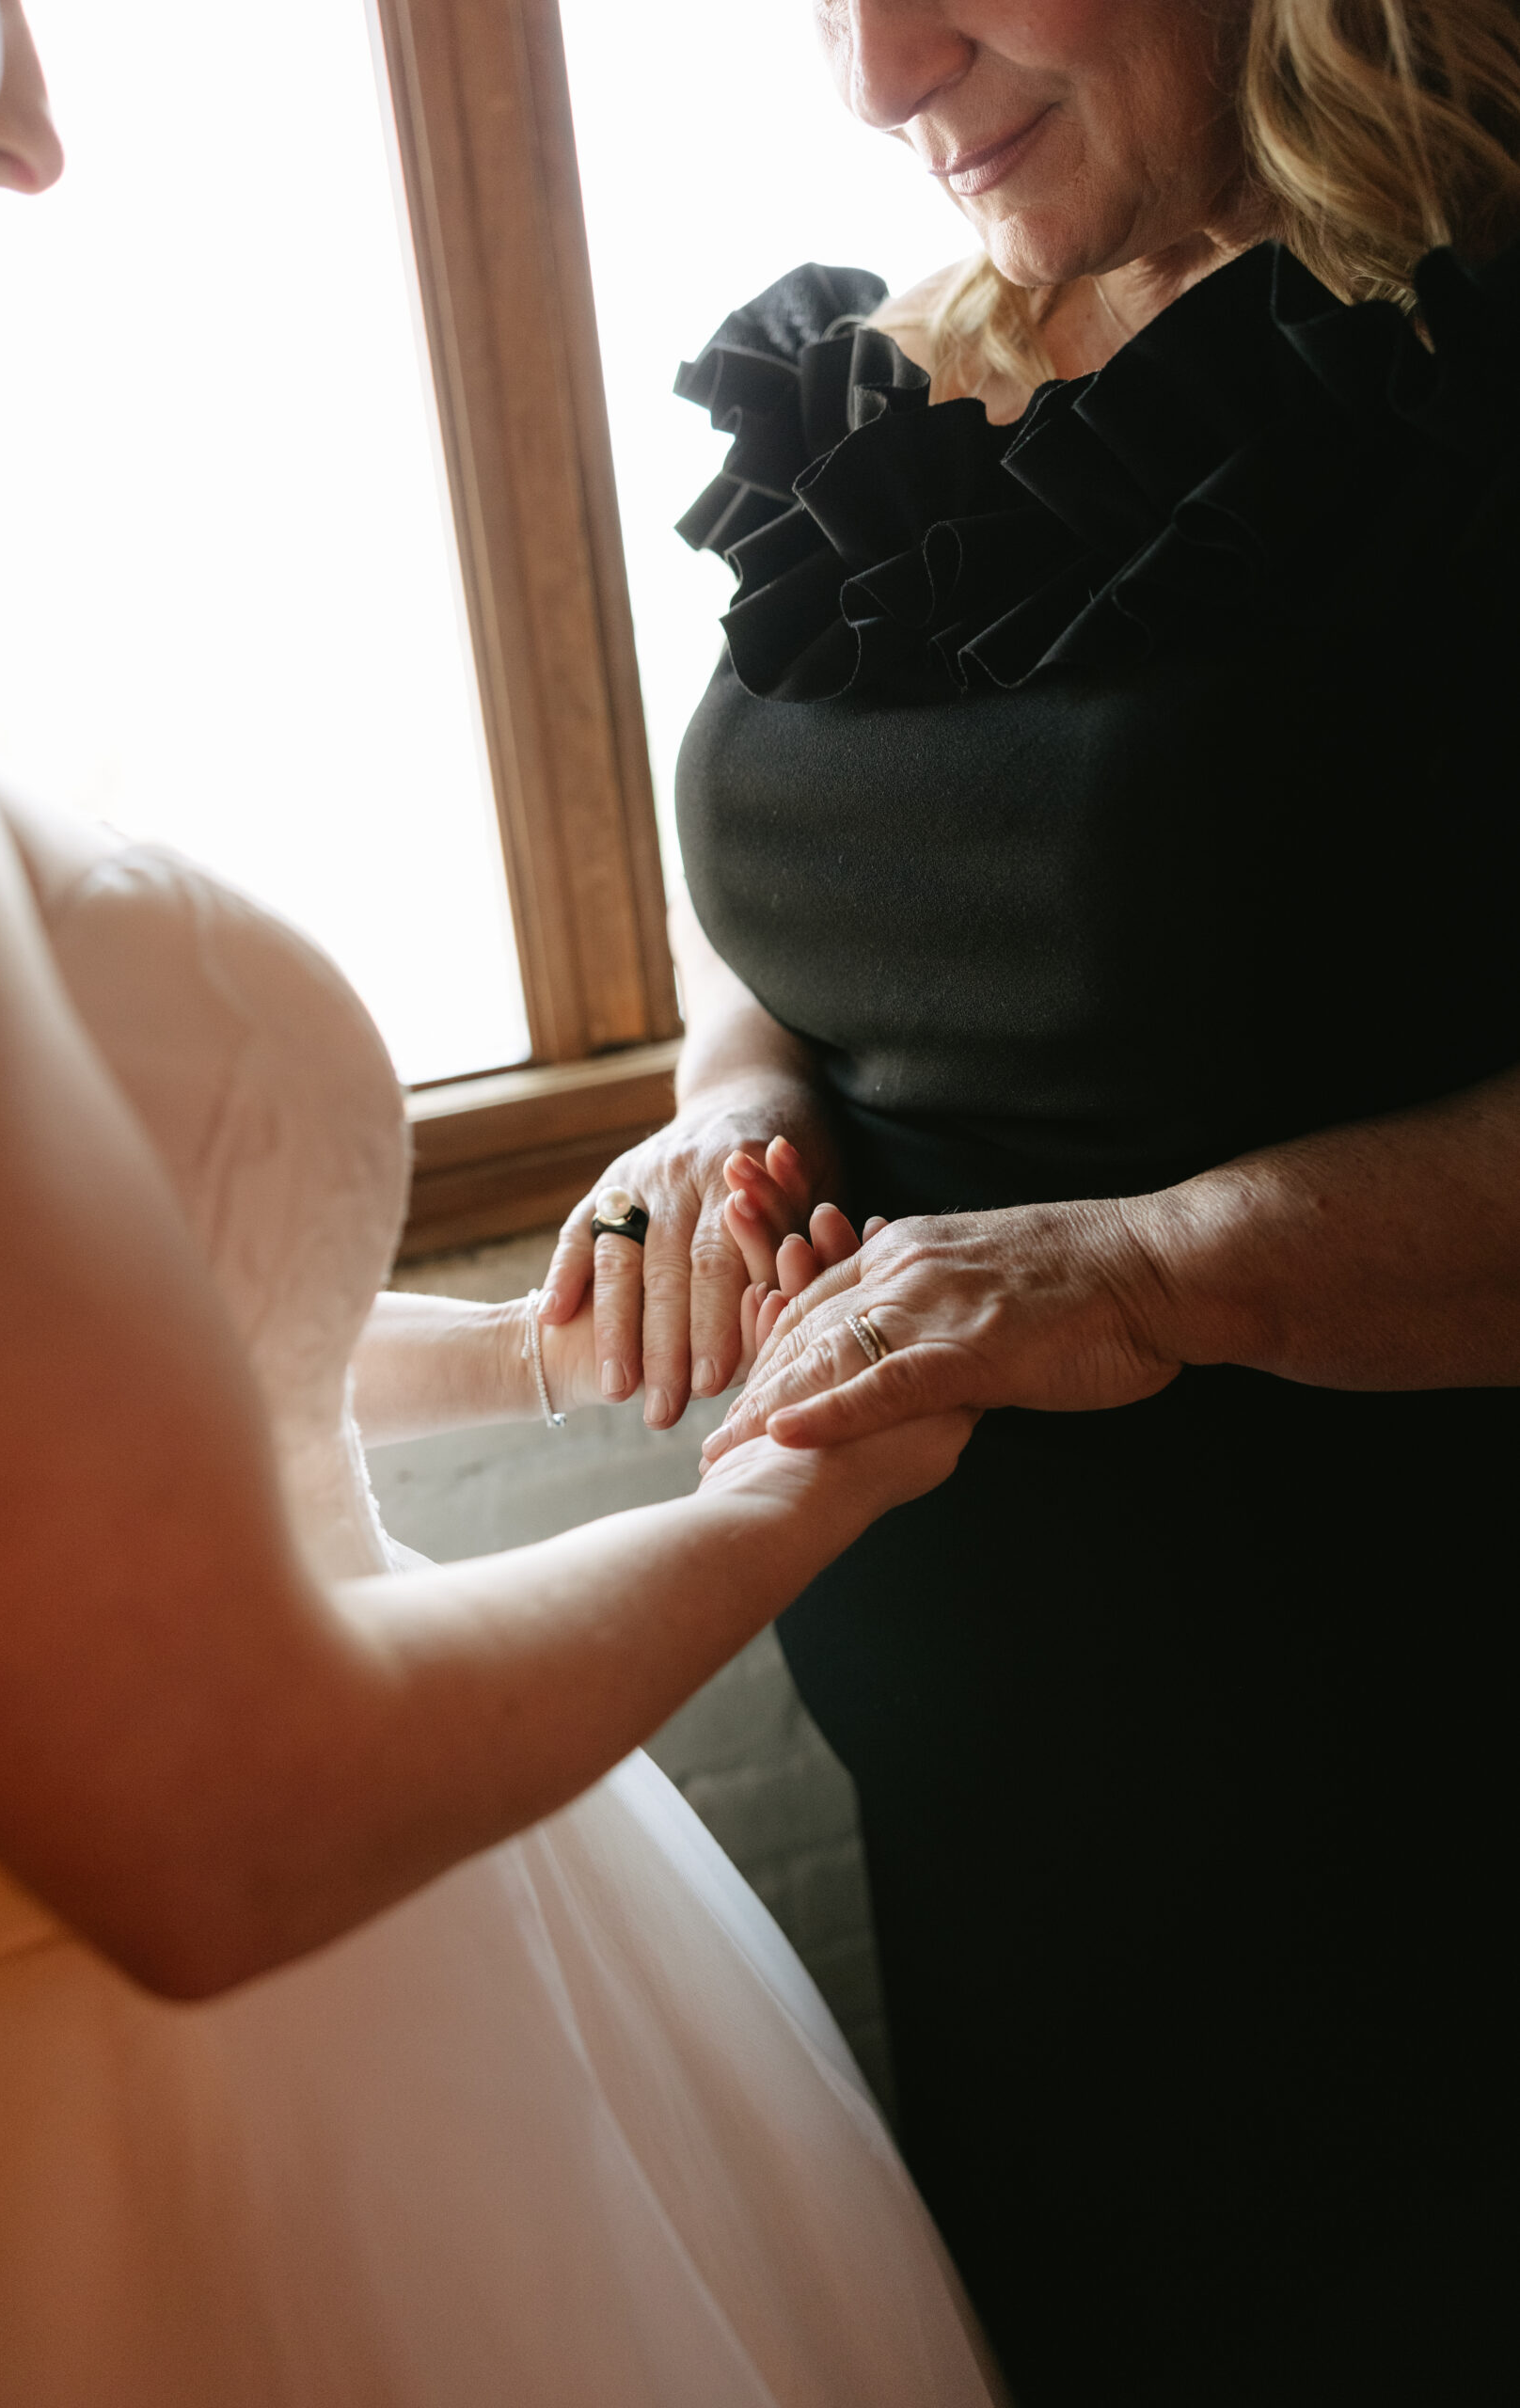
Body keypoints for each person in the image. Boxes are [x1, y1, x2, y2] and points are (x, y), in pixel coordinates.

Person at [0, 7, 1001, 2400]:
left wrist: (526, 1347)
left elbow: (83, 1382)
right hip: (174, 2063)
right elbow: (216, 1824)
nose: (42, 125)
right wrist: (820, 1473)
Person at [545, 1, 1520, 2400]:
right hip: (993, 1780)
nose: (880, 74)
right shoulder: (875, 392)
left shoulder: (1473, 367)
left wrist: (1150, 1261)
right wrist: (732, 1101)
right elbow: (792, 916)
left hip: (1417, 1783)